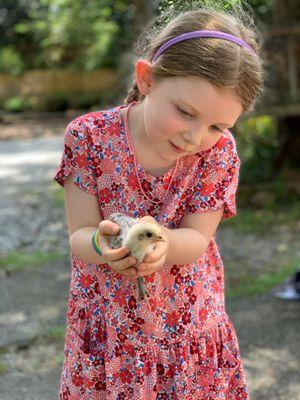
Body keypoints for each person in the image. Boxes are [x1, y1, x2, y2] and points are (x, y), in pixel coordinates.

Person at [54, 5, 264, 400]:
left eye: (217, 126)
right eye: (185, 112)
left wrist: (164, 243)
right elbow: (80, 234)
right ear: (147, 79)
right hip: (108, 326)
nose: (195, 137)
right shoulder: (89, 138)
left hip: (186, 326)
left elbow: (197, 239)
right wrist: (103, 245)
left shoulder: (218, 154)